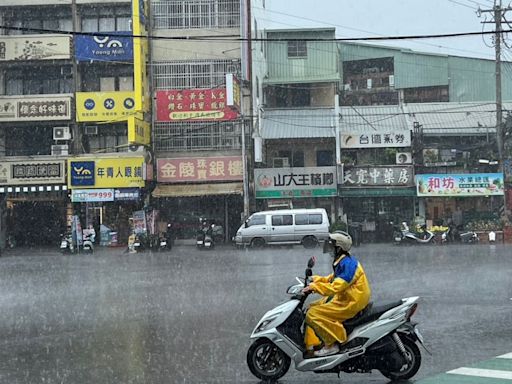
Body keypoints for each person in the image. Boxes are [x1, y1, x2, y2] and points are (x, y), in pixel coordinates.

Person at [302, 231, 371, 357]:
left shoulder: (348, 265)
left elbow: (336, 286)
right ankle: (315, 342)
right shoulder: (343, 261)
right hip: (346, 297)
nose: (329, 249)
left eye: (331, 246)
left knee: (313, 314)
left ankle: (331, 344)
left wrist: (314, 287)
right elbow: (332, 278)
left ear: (339, 248)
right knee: (311, 307)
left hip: (351, 302)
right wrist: (315, 280)